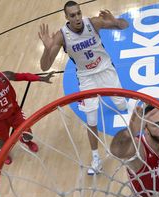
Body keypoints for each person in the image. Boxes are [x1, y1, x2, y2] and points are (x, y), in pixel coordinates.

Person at [38, 1, 129, 175]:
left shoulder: (93, 23)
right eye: (72, 15)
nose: (77, 17)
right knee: (92, 119)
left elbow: (125, 26)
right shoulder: (62, 36)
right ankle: (96, 158)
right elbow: (44, 66)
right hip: (87, 78)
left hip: (106, 70)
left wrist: (115, 21)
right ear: (66, 18)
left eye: (78, 13)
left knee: (122, 106)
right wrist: (46, 49)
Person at [0, 56, 54, 164]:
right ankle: (2, 152)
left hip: (15, 113)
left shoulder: (4, 75)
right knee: (5, 142)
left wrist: (41, 78)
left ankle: (25, 140)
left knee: (28, 134)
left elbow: (22, 76)